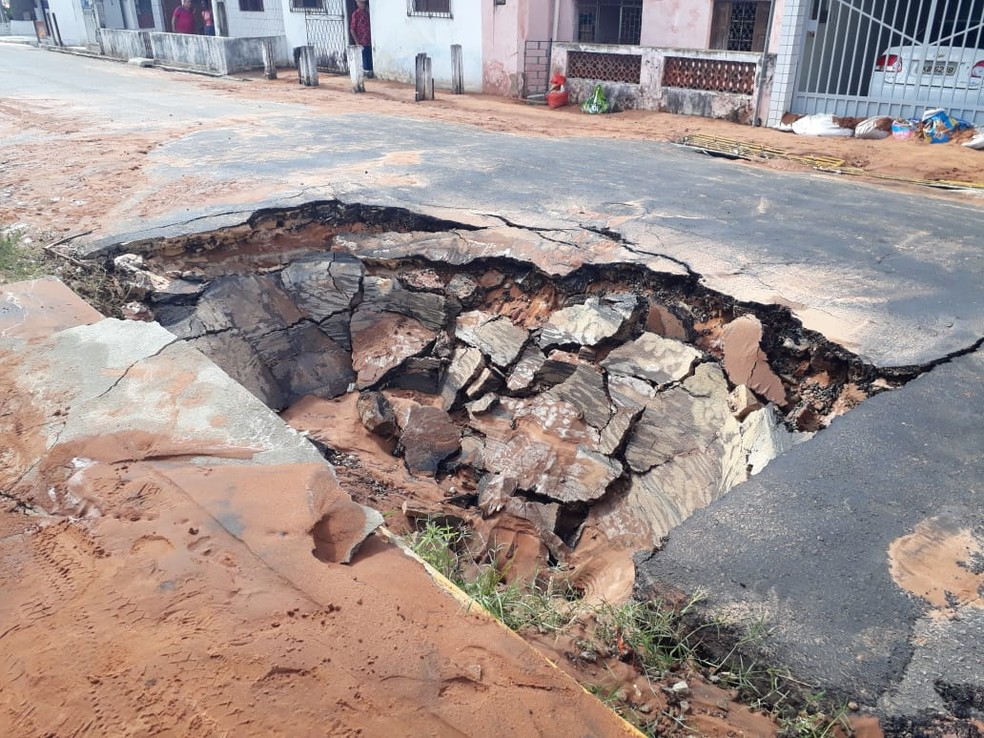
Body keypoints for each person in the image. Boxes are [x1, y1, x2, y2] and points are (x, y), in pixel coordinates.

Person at [350, 0, 373, 78]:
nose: (363, 5)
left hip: (370, 41)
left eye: (364, 3)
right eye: (361, 3)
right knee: (364, 60)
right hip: (362, 41)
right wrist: (357, 42)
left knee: (370, 58)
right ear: (357, 3)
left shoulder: (368, 12)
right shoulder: (356, 14)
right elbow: (352, 29)